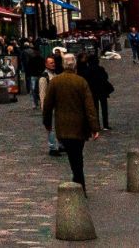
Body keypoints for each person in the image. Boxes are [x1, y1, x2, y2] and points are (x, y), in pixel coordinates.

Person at [42, 53, 100, 190]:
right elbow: (89, 107)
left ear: (63, 65)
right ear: (74, 65)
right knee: (77, 155)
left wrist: (47, 123)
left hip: (63, 127)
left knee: (73, 156)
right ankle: (79, 181)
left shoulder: (56, 81)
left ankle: (78, 179)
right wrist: (94, 127)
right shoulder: (81, 82)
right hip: (79, 127)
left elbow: (47, 105)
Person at [82, 53, 115, 130]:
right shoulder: (100, 69)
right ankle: (105, 124)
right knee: (104, 108)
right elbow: (106, 77)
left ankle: (97, 125)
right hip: (102, 90)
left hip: (93, 91)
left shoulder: (87, 70)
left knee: (95, 109)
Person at [40, 55, 59, 154]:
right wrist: (44, 109)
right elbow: (42, 94)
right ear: (46, 64)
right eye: (51, 63)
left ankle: (60, 145)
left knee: (58, 126)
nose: (53, 64)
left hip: (57, 106)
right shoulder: (44, 77)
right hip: (49, 106)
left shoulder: (55, 75)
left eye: (54, 62)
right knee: (50, 127)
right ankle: (53, 147)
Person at [24, 44, 46, 109]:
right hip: (34, 75)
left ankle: (38, 102)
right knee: (34, 90)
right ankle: (36, 103)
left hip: (37, 75)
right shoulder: (34, 59)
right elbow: (29, 67)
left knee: (37, 89)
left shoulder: (41, 59)